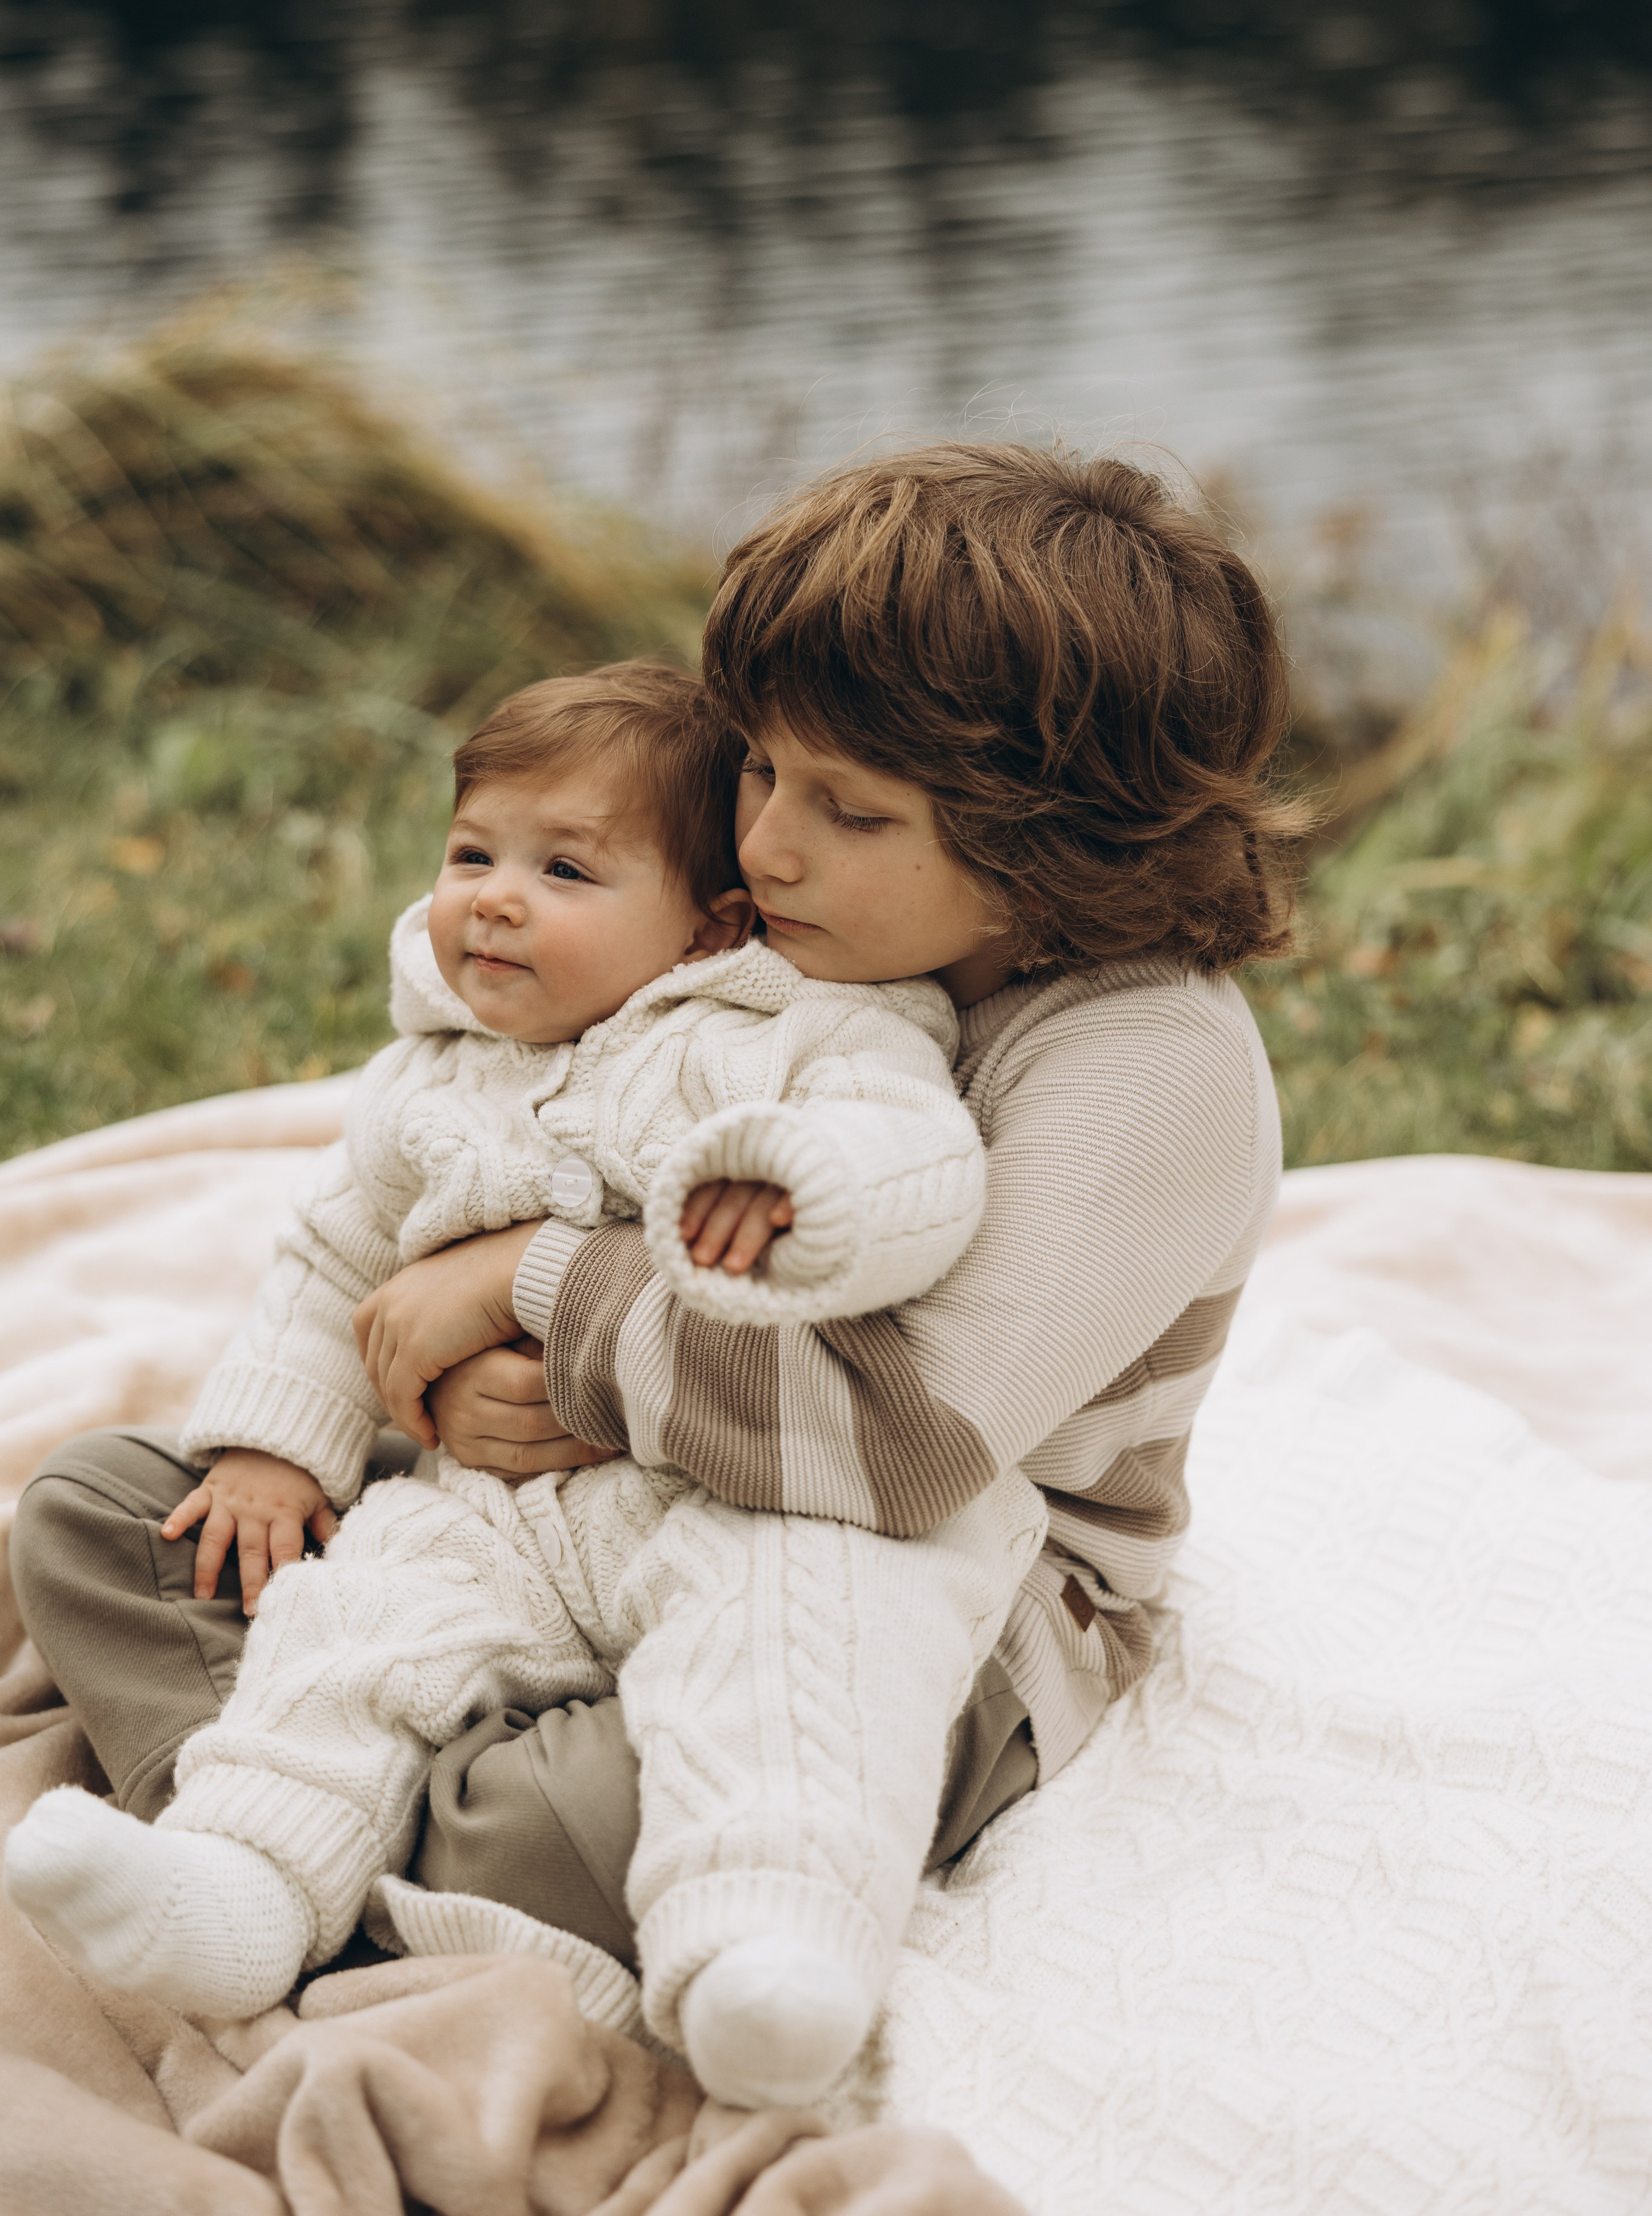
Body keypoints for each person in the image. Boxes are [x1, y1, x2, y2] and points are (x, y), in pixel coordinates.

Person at [8, 442, 1296, 2102]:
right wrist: (442, 1377)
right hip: (582, 1510)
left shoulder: (1142, 1066)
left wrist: (532, 1286)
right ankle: (300, 1826)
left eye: (848, 812)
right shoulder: (819, 922)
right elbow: (521, 1013)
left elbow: (902, 1449)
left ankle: (361, 1833)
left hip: (930, 1591)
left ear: (1053, 844)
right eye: (760, 771)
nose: (763, 848)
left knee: (561, 1816)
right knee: (107, 1515)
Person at [6, 657, 1023, 2111]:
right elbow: (324, 1262)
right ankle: (242, 1887)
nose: (492, 896)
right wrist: (277, 1456)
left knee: (782, 1657)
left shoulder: (799, 1031)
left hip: (709, 1493)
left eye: (564, 869)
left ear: (706, 922)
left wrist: (797, 1186)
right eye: (470, 853)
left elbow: (918, 1158)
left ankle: (762, 1944)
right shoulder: (434, 1076)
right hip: (481, 1513)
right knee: (338, 1632)